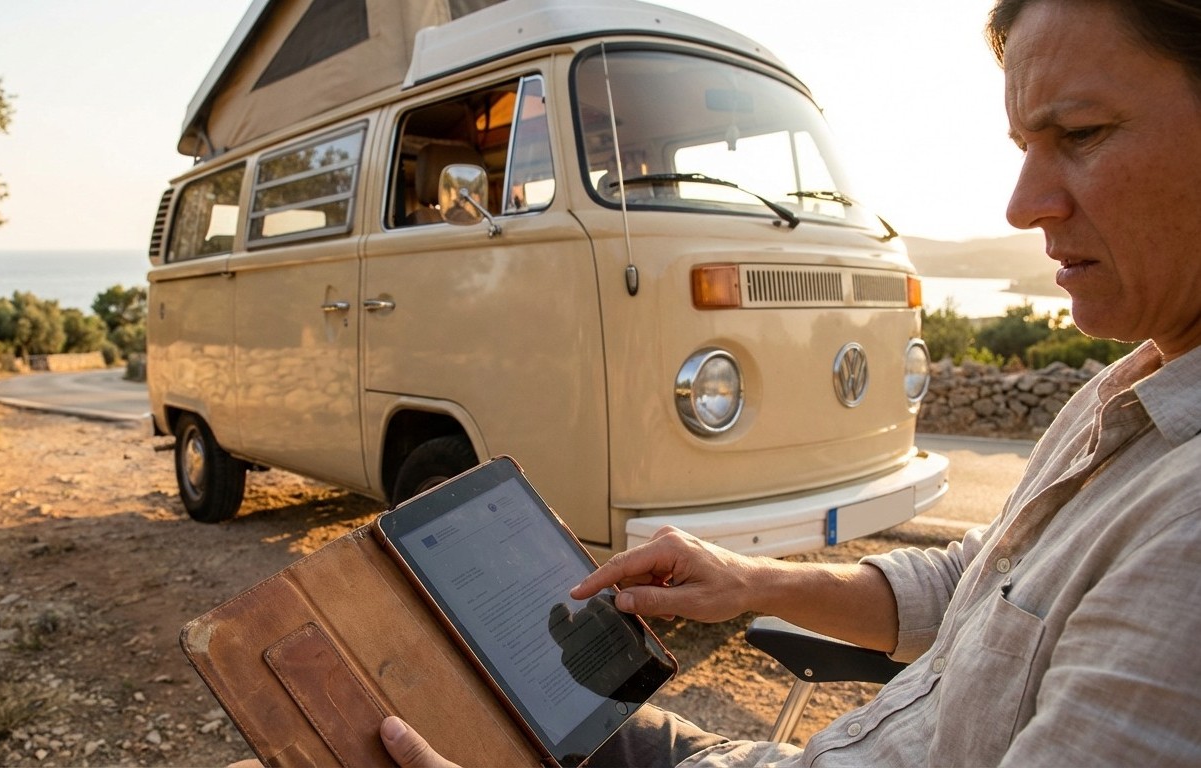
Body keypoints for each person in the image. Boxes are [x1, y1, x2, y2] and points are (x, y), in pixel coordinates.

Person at [378, 0, 1201, 764]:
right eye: (1025, 148)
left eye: (1083, 133)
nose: (1021, 206)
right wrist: (748, 581)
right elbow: (974, 584)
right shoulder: (1124, 392)